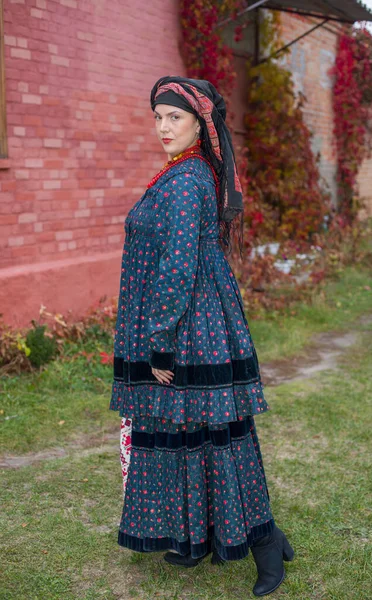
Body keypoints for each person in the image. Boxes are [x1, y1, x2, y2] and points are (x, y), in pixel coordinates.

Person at [109, 75, 294, 597]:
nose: (162, 127)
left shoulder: (189, 179)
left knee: (220, 440)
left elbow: (178, 266)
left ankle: (266, 541)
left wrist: (160, 338)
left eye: (174, 117)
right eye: (157, 118)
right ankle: (194, 540)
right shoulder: (179, 174)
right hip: (192, 321)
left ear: (199, 124)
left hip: (192, 327)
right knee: (184, 435)